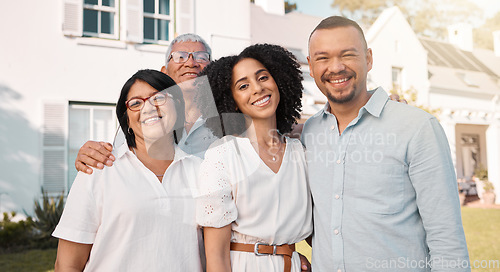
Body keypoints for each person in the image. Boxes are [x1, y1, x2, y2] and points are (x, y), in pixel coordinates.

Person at [302, 16, 470, 271]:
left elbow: (446, 238)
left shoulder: (417, 128)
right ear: (311, 66)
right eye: (323, 58)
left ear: (368, 59)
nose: (335, 67)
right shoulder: (309, 133)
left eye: (347, 55)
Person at [53, 70, 204, 271]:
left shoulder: (203, 172)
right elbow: (67, 265)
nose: (148, 107)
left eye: (159, 97)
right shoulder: (99, 170)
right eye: (135, 103)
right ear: (127, 120)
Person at [194, 44, 312, 272]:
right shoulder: (223, 155)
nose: (257, 89)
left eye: (263, 77)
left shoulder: (301, 153)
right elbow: (217, 257)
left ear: (279, 81)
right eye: (243, 86)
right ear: (231, 101)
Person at [75, 34, 216, 175]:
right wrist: (90, 157)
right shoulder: (139, 123)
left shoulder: (230, 122)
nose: (191, 63)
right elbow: (117, 163)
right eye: (180, 56)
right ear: (164, 72)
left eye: (201, 57)